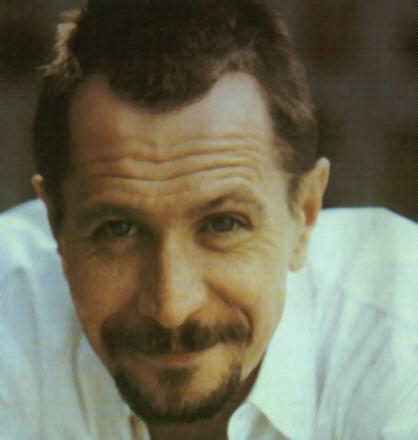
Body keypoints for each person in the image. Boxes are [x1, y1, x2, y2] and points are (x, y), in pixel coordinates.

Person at [0, 1, 416, 439]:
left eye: (223, 224)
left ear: (305, 214)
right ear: (56, 223)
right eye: (119, 230)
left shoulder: (401, 342)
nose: (172, 308)